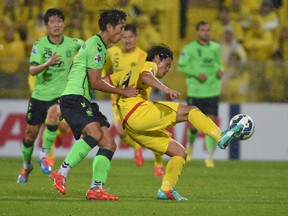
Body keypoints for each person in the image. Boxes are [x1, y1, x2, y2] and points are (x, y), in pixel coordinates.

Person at [105, 44, 244, 200]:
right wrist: (166, 90)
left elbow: (103, 81)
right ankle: (219, 135)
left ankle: (166, 189)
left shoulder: (127, 72)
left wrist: (115, 90)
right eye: (167, 64)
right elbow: (146, 75)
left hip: (131, 126)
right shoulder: (149, 64)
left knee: (179, 153)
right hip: (138, 112)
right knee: (190, 111)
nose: (168, 69)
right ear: (158, 58)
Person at [50, 9, 139, 201]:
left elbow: (94, 78)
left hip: (82, 99)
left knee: (109, 144)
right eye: (121, 27)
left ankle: (95, 188)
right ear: (109, 27)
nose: (123, 32)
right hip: (74, 98)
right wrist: (123, 91)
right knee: (96, 134)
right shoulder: (96, 46)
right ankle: (61, 172)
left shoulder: (99, 46)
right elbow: (97, 82)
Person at [17, 8, 84, 183]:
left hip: (60, 95)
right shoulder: (39, 45)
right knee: (29, 136)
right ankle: (26, 166)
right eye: (52, 22)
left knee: (54, 113)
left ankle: (44, 155)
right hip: (39, 95)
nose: (56, 25)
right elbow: (32, 70)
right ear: (47, 25)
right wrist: (48, 63)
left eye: (59, 21)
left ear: (63, 23)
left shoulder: (72, 43)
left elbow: (90, 46)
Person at [102, 24, 165, 176]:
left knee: (149, 131)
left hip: (138, 96)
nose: (127, 40)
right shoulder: (112, 52)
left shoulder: (142, 56)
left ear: (136, 38)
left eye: (130, 37)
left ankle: (158, 162)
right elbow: (103, 68)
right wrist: (104, 81)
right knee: (121, 132)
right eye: (124, 37)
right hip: (117, 96)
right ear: (120, 38)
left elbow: (150, 75)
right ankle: (137, 148)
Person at [178, 21, 224, 168]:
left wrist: (219, 70)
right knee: (193, 126)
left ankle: (209, 156)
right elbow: (181, 66)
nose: (206, 33)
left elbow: (218, 63)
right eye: (203, 30)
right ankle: (190, 145)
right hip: (196, 91)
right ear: (197, 32)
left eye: (208, 30)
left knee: (210, 123)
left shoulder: (216, 48)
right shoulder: (189, 48)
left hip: (212, 91)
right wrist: (196, 74)